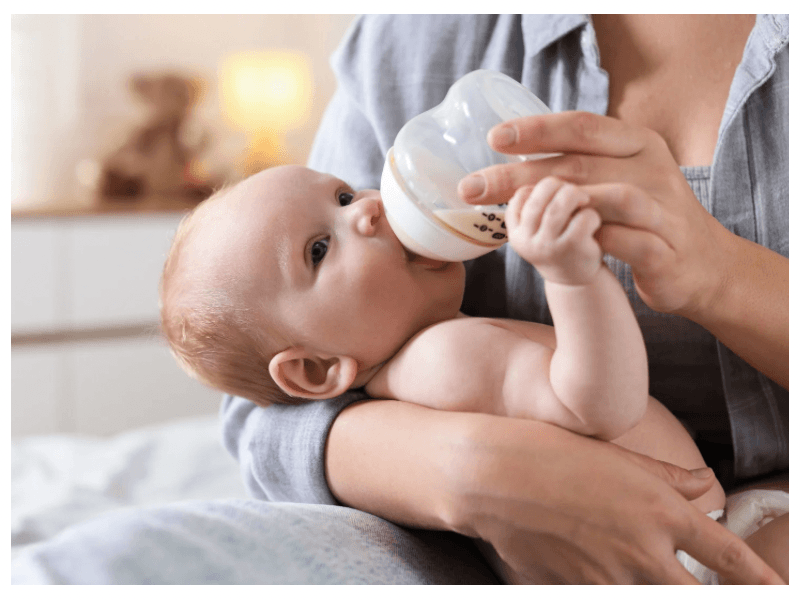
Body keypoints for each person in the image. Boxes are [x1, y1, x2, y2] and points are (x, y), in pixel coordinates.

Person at [10, 14, 788, 584]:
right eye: (321, 247)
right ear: (315, 374)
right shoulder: (446, 359)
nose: (370, 206)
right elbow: (601, 401)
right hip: (670, 549)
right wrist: (570, 278)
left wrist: (713, 269)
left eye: (345, 193)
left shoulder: (434, 350)